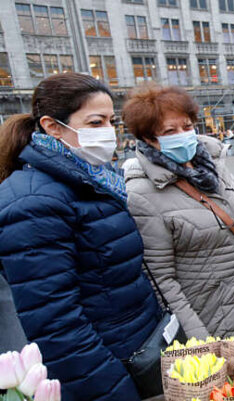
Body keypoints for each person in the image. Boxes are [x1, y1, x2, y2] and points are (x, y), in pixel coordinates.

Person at [0, 73, 160, 400]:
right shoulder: (32, 202)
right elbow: (55, 323)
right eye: (95, 121)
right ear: (53, 126)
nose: (107, 132)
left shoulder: (96, 180)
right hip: (106, 371)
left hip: (137, 350)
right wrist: (113, 391)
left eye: (110, 121)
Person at [123, 84, 234, 338]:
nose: (183, 135)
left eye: (187, 126)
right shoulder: (143, 193)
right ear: (150, 138)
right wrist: (199, 340)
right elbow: (163, 281)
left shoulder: (211, 164)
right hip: (211, 318)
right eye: (169, 131)